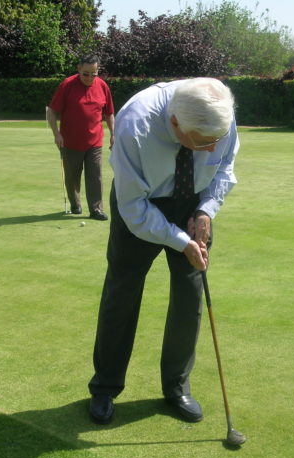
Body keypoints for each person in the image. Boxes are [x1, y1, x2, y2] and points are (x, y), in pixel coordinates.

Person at [88, 78, 240, 424]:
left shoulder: (219, 114)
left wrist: (206, 210)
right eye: (201, 143)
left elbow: (224, 168)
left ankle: (176, 387)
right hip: (142, 200)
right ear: (174, 124)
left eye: (215, 141)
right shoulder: (135, 124)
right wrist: (180, 241)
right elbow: (134, 209)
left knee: (190, 295)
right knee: (122, 293)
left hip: (193, 202)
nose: (209, 150)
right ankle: (105, 387)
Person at [47, 54, 115, 221]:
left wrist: (114, 134)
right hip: (70, 141)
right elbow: (51, 111)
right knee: (72, 177)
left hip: (95, 141)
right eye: (86, 73)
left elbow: (109, 113)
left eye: (94, 74)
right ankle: (75, 204)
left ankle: (96, 209)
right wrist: (57, 134)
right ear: (79, 69)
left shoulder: (102, 86)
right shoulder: (67, 85)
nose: (90, 77)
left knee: (95, 176)